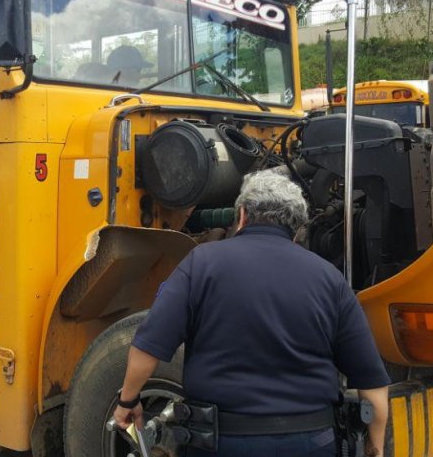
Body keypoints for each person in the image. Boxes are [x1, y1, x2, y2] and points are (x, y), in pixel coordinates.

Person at [112, 168, 390, 457]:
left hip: (221, 443)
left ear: (242, 215)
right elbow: (372, 384)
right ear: (297, 230)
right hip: (309, 442)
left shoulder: (201, 263)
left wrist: (128, 401)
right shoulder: (329, 279)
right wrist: (375, 447)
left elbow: (148, 346)